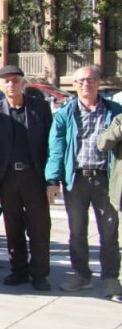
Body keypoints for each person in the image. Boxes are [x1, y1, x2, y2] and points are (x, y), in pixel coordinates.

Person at [47, 65, 122, 296]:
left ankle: (110, 277)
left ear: (99, 82)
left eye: (90, 79)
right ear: (74, 85)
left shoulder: (115, 111)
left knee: (109, 232)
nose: (86, 84)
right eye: (80, 81)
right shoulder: (65, 114)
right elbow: (56, 148)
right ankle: (81, 274)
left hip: (106, 179)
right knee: (77, 231)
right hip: (76, 179)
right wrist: (52, 179)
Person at [0, 66, 53, 291]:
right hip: (8, 177)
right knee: (13, 226)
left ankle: (40, 273)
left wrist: (52, 180)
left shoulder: (40, 108)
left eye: (15, 80)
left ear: (23, 83)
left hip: (35, 176)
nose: (11, 85)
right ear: (0, 85)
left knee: (39, 227)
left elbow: (51, 144)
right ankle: (18, 270)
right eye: (6, 81)